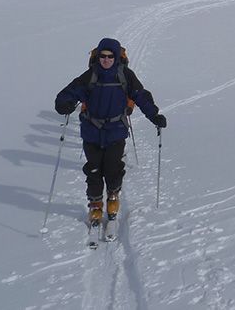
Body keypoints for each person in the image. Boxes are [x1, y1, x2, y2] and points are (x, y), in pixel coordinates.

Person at [55, 37, 167, 224]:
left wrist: (154, 116)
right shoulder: (90, 76)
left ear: (116, 57)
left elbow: (141, 96)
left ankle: (113, 196)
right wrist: (63, 104)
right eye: (102, 56)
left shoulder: (125, 76)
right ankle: (95, 204)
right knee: (93, 170)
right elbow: (69, 92)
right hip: (92, 131)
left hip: (116, 131)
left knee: (113, 168)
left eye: (110, 56)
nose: (106, 60)